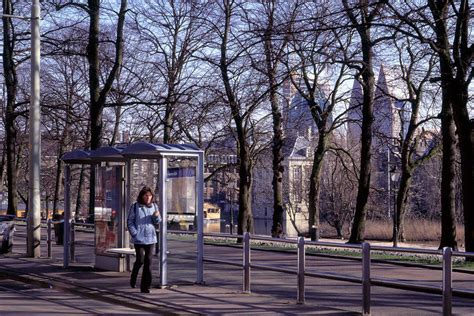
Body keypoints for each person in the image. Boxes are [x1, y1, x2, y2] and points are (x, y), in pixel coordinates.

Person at [127, 186, 162, 293]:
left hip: (151, 238)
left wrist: (156, 217)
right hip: (139, 238)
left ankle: (145, 286)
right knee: (140, 260)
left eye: (150, 196)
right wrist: (135, 234)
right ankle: (134, 275)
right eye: (146, 195)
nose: (148, 197)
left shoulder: (154, 206)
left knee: (148, 262)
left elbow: (157, 222)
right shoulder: (135, 206)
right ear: (142, 196)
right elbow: (130, 221)